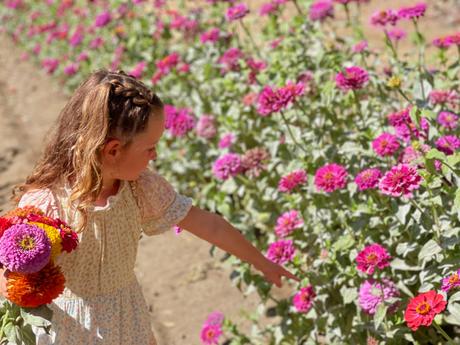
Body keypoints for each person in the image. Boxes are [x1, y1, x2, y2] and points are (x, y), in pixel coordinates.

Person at [1, 69, 299, 344]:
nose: (154, 156)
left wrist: (262, 262)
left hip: (128, 321)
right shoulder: (46, 205)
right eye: (149, 147)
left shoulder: (140, 188)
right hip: (68, 330)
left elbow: (208, 224)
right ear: (113, 150)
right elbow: (10, 273)